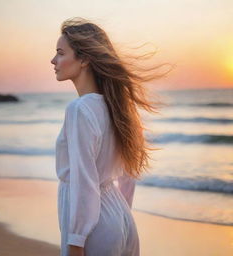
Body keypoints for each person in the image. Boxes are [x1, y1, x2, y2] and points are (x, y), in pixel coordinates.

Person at [51, 17, 173, 256]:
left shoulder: (79, 109)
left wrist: (76, 241)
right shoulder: (118, 107)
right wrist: (121, 214)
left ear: (84, 58)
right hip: (121, 217)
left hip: (93, 229)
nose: (53, 60)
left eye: (60, 53)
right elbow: (129, 174)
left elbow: (83, 181)